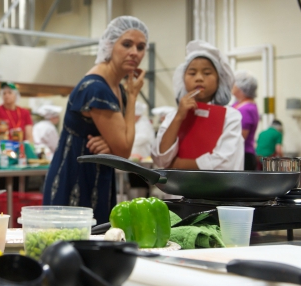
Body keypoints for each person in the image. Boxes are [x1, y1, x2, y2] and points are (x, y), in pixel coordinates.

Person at [43, 16, 148, 224]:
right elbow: (125, 150)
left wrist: (111, 146)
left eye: (141, 47)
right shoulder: (96, 89)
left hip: (98, 179)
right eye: (126, 44)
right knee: (72, 248)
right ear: (109, 45)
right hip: (76, 180)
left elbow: (119, 149)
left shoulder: (117, 88)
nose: (134, 52)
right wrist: (134, 96)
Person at [152, 40, 243, 171]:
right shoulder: (173, 116)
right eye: (192, 73)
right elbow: (161, 158)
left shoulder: (230, 116)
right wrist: (178, 117)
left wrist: (177, 165)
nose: (199, 78)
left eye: (207, 73)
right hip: (179, 191)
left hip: (217, 190)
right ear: (183, 79)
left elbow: (223, 163)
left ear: (219, 79)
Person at [232, 70, 260, 170]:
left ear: (241, 88)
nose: (232, 85)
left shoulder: (246, 109)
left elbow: (240, 137)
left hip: (244, 155)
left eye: (234, 83)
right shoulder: (237, 105)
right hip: (239, 154)